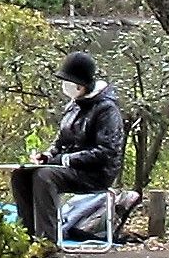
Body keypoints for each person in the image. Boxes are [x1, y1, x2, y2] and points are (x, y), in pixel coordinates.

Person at [14, 51, 123, 243]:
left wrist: (66, 160)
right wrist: (47, 155)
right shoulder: (74, 105)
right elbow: (61, 141)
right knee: (21, 174)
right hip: (70, 168)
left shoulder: (106, 109)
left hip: (95, 173)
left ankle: (47, 240)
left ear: (81, 85)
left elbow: (106, 152)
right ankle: (28, 235)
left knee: (45, 176)